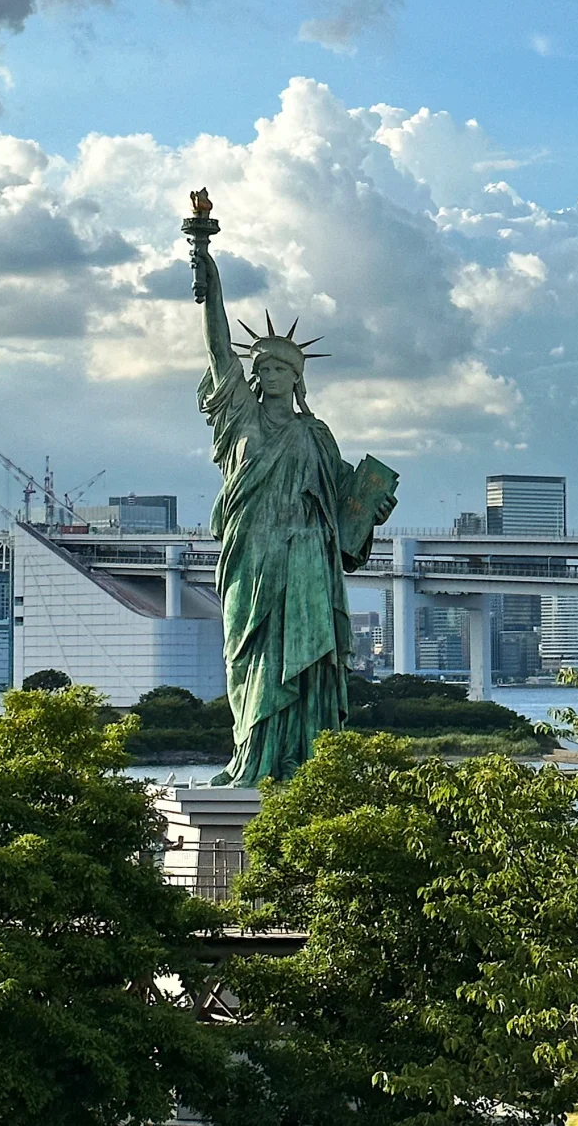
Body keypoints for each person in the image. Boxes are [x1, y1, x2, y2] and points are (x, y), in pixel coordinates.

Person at [191, 241, 398, 786]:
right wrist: (209, 276)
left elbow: (341, 519)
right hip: (252, 555)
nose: (273, 373)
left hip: (307, 558)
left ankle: (298, 761)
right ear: (253, 376)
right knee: (249, 656)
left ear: (298, 377)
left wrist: (370, 511)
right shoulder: (240, 419)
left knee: (307, 667)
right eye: (264, 365)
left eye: (284, 366)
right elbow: (217, 350)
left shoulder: (316, 435)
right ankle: (252, 757)